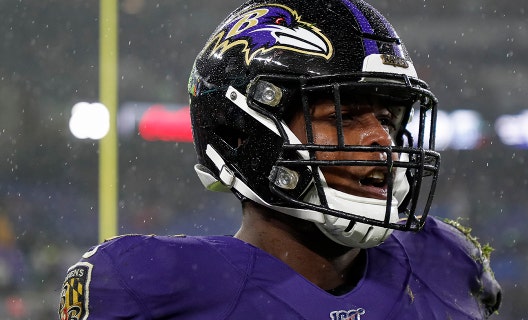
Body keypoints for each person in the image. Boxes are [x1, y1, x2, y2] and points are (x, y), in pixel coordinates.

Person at [59, 0, 501, 319]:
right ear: (242, 132)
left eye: (387, 117)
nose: (381, 140)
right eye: (344, 116)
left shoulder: (443, 263)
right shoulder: (150, 288)